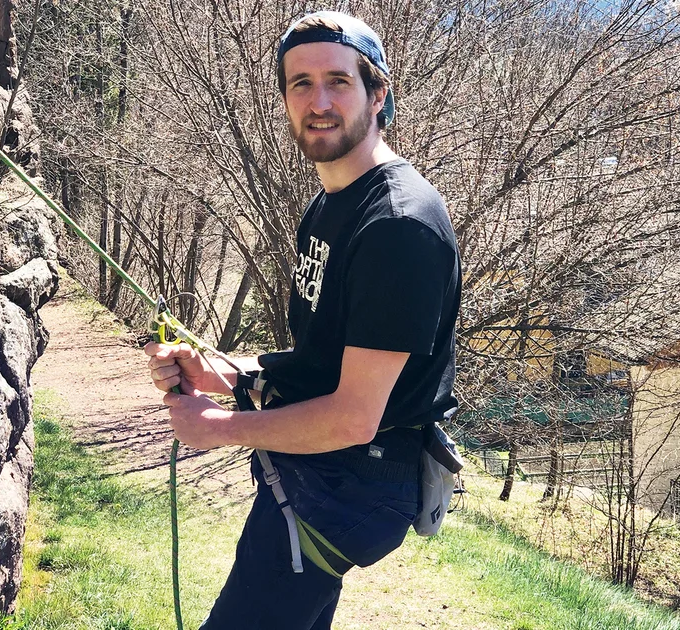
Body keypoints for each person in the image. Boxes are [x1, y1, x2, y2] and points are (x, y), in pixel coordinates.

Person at [145, 10, 462, 629]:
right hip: (329, 473)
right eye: (300, 83)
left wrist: (219, 428)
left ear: (378, 95)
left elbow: (352, 415)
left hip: (353, 485)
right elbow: (321, 364)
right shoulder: (329, 206)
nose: (319, 101)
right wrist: (222, 375)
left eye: (339, 81)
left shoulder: (398, 225)